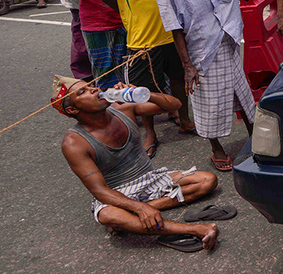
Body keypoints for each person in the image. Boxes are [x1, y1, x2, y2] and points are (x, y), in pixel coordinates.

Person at [156, 0, 283, 171]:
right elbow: (175, 29)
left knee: (243, 96)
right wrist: (187, 66)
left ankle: (258, 140)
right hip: (202, 54)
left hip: (230, 45)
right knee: (209, 104)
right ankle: (216, 149)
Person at [55, 77, 219, 251]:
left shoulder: (122, 107)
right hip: (116, 193)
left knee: (207, 180)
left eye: (90, 86)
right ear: (72, 108)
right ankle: (196, 230)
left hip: (151, 178)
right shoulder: (74, 143)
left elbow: (174, 105)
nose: (94, 89)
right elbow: (99, 190)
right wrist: (137, 206)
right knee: (108, 215)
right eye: (83, 92)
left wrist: (141, 93)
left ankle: (134, 217)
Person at [99, 0, 194, 157]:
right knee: (143, 88)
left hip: (175, 32)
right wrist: (136, 13)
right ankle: (150, 132)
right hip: (142, 37)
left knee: (179, 80)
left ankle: (184, 119)